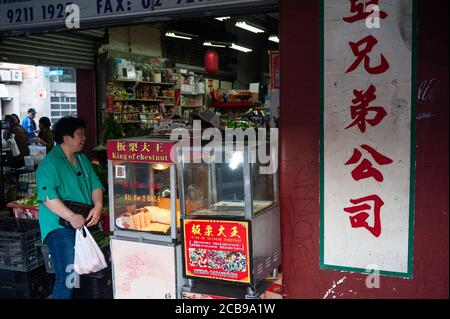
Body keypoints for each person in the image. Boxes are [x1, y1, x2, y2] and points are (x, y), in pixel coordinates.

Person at [36, 116, 104, 299]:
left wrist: (97, 206)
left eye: (84, 134)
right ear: (66, 137)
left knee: (75, 276)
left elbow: (96, 185)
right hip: (59, 228)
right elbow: (47, 197)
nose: (84, 138)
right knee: (67, 276)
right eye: (79, 134)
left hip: (80, 225)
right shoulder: (50, 164)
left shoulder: (82, 159)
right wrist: (71, 216)